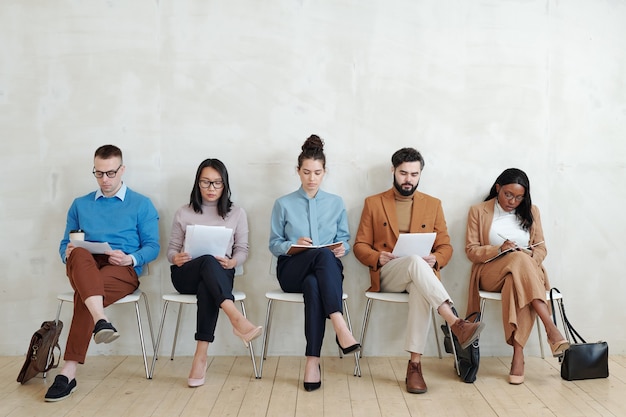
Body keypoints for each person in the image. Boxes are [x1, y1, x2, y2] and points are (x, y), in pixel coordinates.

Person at [354, 147, 484, 394]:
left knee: (419, 287)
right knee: (414, 261)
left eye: (414, 174)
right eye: (403, 173)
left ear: (420, 174)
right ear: (393, 171)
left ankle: (415, 366)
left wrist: (436, 258)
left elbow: (446, 246)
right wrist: (376, 257)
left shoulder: (433, 204)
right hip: (388, 274)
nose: (408, 179)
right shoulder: (373, 203)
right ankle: (455, 322)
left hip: (420, 276)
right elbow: (359, 245)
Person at [45, 145, 160, 402]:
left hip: (121, 269)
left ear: (122, 170)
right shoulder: (80, 204)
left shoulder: (141, 204)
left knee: (86, 293)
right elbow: (65, 244)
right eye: (98, 174)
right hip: (84, 264)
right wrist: (69, 252)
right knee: (79, 254)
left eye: (110, 173)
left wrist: (130, 257)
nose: (104, 180)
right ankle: (101, 321)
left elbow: (153, 246)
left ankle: (69, 372)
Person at [269, 134, 360, 392]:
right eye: (306, 172)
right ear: (297, 171)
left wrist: (343, 247)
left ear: (325, 172)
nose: (311, 178)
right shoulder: (283, 204)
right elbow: (274, 244)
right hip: (291, 270)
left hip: (324, 274)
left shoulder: (336, 203)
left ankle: (312, 362)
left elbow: (344, 239)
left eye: (317, 172)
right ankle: (340, 324)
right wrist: (292, 244)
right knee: (321, 256)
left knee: (314, 282)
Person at [464, 168, 569, 385]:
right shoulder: (478, 211)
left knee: (516, 277)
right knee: (518, 262)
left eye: (519, 197)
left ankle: (518, 356)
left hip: (521, 274)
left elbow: (541, 249)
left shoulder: (532, 211)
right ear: (498, 188)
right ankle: (551, 328)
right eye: (508, 195)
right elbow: (471, 250)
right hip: (490, 272)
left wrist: (528, 253)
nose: (513, 201)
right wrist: (500, 249)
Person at [167, 158, 262, 387]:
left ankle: (200, 356)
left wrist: (233, 262)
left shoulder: (236, 213)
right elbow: (171, 249)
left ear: (225, 185)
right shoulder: (184, 212)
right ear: (197, 184)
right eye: (206, 182)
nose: (211, 189)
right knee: (206, 262)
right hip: (185, 275)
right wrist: (175, 257)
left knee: (207, 283)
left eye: (217, 183)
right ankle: (236, 318)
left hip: (220, 274)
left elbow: (242, 249)